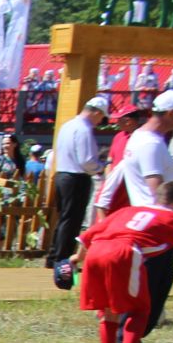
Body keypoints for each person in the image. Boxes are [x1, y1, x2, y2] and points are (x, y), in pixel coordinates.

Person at [72, 180, 173, 343]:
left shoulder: (128, 210)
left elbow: (88, 235)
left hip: (96, 252)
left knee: (109, 310)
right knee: (141, 308)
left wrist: (77, 258)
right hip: (125, 252)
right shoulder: (170, 217)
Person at [101, 91, 173, 332]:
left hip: (148, 223)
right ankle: (127, 337)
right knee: (152, 286)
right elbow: (157, 190)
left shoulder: (141, 138)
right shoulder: (151, 144)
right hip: (157, 226)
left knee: (155, 283)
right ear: (172, 114)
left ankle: (129, 337)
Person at [49, 97, 106, 266]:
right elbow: (86, 160)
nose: (100, 121)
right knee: (72, 220)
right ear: (96, 112)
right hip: (76, 177)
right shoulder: (84, 130)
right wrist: (100, 168)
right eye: (101, 117)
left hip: (62, 174)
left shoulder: (67, 125)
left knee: (64, 219)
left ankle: (54, 256)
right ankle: (62, 259)